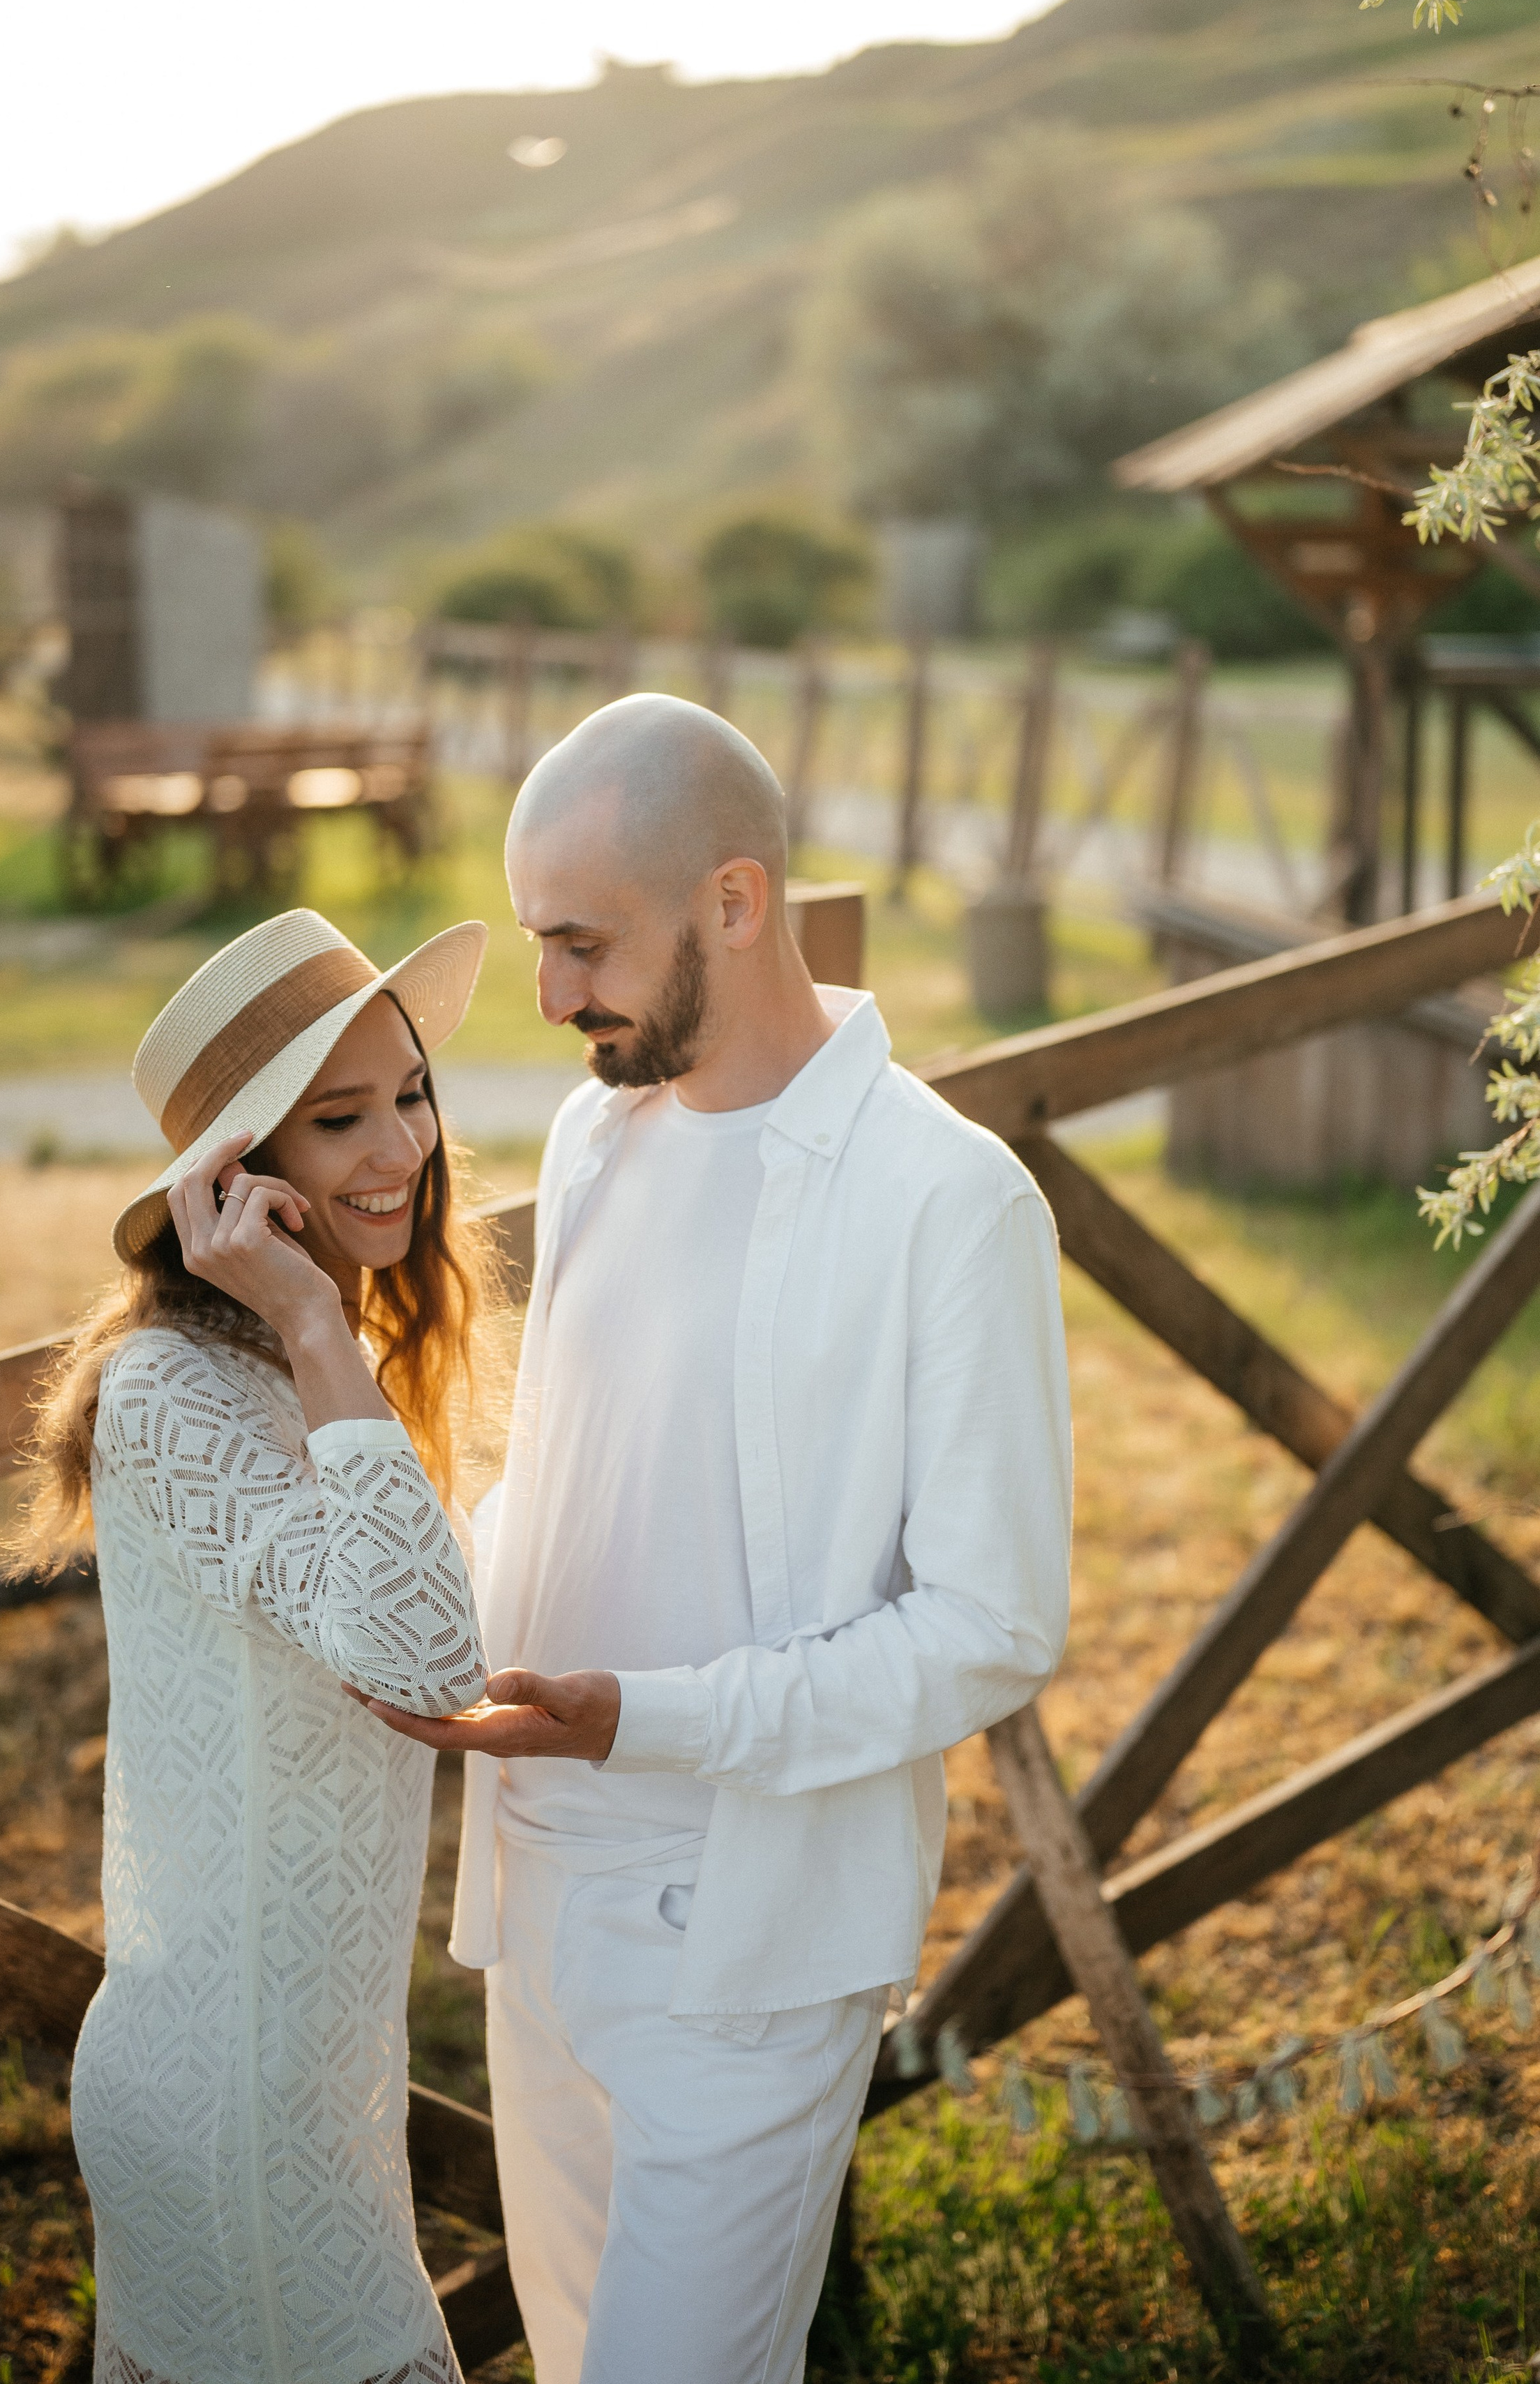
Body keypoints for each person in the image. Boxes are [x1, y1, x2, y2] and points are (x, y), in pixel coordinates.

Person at [361, 696, 1074, 2384]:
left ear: (734, 903)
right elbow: (570, 1470)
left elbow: (989, 1622)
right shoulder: (599, 1134)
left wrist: (648, 1714)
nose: (547, 1000)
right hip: (533, 1903)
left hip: (748, 1949)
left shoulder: (947, 1201)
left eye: (581, 944)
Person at [20, 906, 495, 2384]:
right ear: (236, 1179)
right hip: (232, 2099)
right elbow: (426, 1659)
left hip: (309, 2089)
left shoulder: (299, 1368)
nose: (399, 1148)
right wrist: (306, 1311)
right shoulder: (178, 1389)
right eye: (339, 1118)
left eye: (409, 1093)